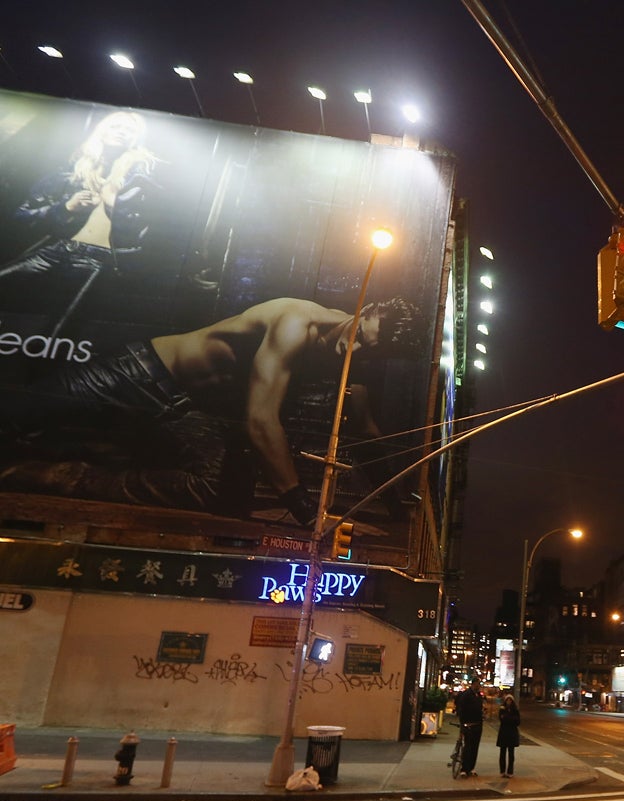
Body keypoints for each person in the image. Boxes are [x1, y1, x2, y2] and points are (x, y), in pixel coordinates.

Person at [0, 295, 423, 523]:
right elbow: (260, 420)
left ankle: (47, 475)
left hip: (186, 410)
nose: (354, 349)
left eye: (370, 352)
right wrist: (302, 506)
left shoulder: (355, 367)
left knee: (220, 494)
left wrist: (398, 508)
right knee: (17, 416)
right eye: (362, 336)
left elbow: (366, 433)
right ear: (364, 310)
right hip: (142, 372)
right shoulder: (298, 322)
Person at [0, 110, 160, 335]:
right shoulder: (70, 173)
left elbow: (147, 241)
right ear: (101, 131)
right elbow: (21, 217)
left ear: (137, 139)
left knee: (59, 333)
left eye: (130, 129)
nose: (122, 132)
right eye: (116, 126)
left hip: (97, 262)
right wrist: (66, 208)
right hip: (55, 250)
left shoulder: (141, 181)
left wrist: (113, 200)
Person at [453, 676, 485, 778]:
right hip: (468, 725)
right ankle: (464, 768)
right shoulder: (466, 695)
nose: (479, 686)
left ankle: (471, 768)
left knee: (475, 747)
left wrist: (483, 714)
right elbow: (461, 710)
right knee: (468, 747)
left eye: (479, 684)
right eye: (477, 684)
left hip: (478, 724)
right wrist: (463, 723)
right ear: (473, 684)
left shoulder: (478, 696)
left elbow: (480, 708)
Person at [496, 693, 521, 778]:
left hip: (512, 734)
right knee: (502, 753)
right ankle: (502, 771)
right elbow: (501, 718)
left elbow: (518, 721)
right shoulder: (502, 709)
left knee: (511, 754)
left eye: (510, 700)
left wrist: (507, 718)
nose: (509, 702)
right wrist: (511, 719)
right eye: (507, 700)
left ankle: (510, 771)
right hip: (504, 733)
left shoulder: (515, 710)